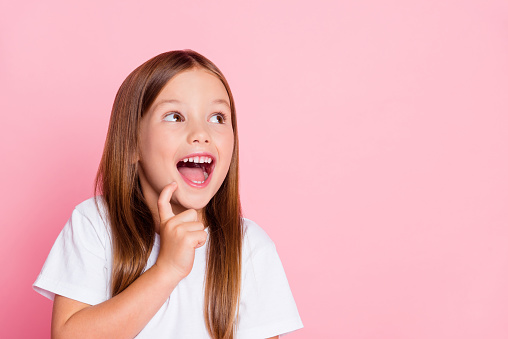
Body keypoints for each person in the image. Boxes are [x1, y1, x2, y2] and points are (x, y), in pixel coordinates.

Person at [33, 50, 303, 338]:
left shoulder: (250, 248)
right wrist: (167, 269)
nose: (201, 133)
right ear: (132, 144)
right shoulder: (95, 224)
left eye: (217, 117)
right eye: (175, 116)